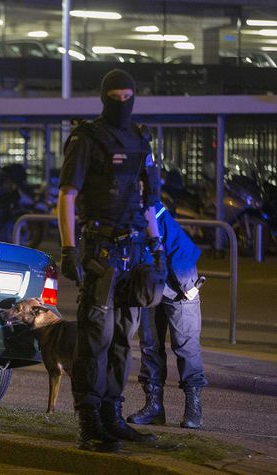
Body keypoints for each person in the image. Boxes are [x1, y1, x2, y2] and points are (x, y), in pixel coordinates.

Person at [57, 69, 164, 452]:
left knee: (123, 339)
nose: (122, 104)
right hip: (100, 249)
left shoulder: (140, 138)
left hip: (135, 251)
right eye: (115, 98)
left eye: (127, 97)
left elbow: (149, 201)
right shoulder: (86, 139)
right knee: (95, 339)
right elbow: (67, 195)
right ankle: (90, 422)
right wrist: (69, 249)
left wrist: (157, 248)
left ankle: (113, 416)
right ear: (104, 98)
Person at [128, 201, 207, 429]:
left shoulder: (151, 209)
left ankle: (193, 407)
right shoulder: (130, 208)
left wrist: (187, 289)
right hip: (150, 284)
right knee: (150, 344)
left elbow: (176, 250)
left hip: (178, 282)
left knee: (186, 344)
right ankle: (154, 407)